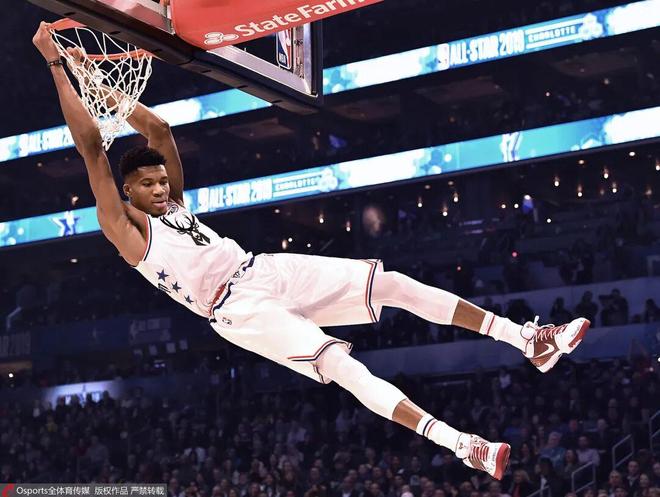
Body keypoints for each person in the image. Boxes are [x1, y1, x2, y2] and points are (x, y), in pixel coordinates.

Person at [33, 22, 592, 481]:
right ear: (128, 192)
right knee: (342, 365)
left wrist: (92, 74)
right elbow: (90, 147)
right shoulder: (124, 228)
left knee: (391, 282)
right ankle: (462, 444)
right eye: (149, 185)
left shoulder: (173, 202)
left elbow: (158, 128)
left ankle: (525, 339)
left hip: (262, 269)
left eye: (161, 181)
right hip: (236, 310)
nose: (161, 188)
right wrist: (57, 64)